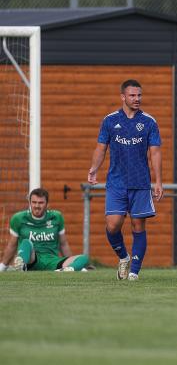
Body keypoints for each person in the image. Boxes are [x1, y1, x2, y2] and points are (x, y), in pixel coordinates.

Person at [88, 79, 163, 281]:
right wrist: (94, 169)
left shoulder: (149, 122)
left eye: (139, 95)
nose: (136, 99)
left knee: (138, 226)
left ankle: (134, 272)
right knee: (113, 225)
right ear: (123, 97)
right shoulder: (110, 121)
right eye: (132, 95)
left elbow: (155, 153)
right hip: (116, 183)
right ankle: (123, 257)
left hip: (140, 183)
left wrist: (158, 181)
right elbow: (101, 148)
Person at [0, 189, 89, 272]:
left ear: (47, 204)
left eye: (41, 203)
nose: (37, 206)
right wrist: (3, 266)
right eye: (34, 202)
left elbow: (63, 243)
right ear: (30, 203)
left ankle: (68, 270)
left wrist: (73, 263)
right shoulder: (18, 218)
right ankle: (21, 265)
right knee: (26, 242)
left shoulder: (56, 217)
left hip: (53, 261)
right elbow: (12, 245)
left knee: (83, 258)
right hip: (32, 259)